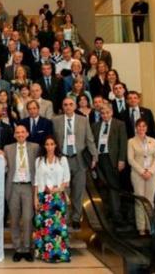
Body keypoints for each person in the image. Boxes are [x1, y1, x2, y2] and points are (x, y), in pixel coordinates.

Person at [51, 97, 98, 230]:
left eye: (71, 104)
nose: (68, 107)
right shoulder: (56, 120)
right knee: (63, 190)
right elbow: (52, 139)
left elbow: (89, 139)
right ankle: (64, 217)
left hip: (79, 159)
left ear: (75, 106)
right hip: (62, 159)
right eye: (65, 105)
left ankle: (76, 218)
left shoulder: (83, 120)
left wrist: (94, 156)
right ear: (62, 107)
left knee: (78, 190)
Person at [3, 125, 40, 262]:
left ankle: (27, 247)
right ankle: (18, 249)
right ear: (14, 135)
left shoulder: (35, 148)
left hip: (28, 187)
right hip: (13, 187)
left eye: (22, 132)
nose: (20, 134)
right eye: (17, 132)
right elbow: (5, 167)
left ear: (27, 134)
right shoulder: (8, 148)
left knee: (27, 218)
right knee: (14, 219)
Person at [33, 136, 71, 263]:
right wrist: (35, 199)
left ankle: (59, 255)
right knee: (44, 227)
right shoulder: (39, 160)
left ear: (56, 145)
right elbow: (36, 181)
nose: (49, 147)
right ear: (44, 146)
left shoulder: (62, 160)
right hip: (43, 198)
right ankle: (45, 254)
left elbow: (66, 180)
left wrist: (57, 189)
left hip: (57, 198)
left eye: (52, 144)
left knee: (57, 228)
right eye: (47, 144)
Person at [91, 103, 127, 227]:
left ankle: (117, 215)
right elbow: (92, 143)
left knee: (113, 187)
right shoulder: (95, 126)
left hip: (112, 159)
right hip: (99, 158)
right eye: (102, 113)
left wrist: (122, 159)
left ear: (111, 112)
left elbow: (123, 143)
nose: (105, 115)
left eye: (107, 112)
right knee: (102, 186)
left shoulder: (119, 124)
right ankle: (106, 214)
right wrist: (93, 158)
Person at [127, 119, 155, 236]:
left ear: (146, 128)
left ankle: (150, 226)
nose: (141, 129)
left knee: (150, 200)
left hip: (151, 174)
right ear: (136, 128)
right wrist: (142, 171)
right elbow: (130, 159)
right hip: (138, 174)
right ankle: (141, 227)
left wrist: (150, 171)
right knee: (140, 200)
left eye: (143, 126)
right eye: (139, 126)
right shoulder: (131, 141)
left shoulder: (152, 141)